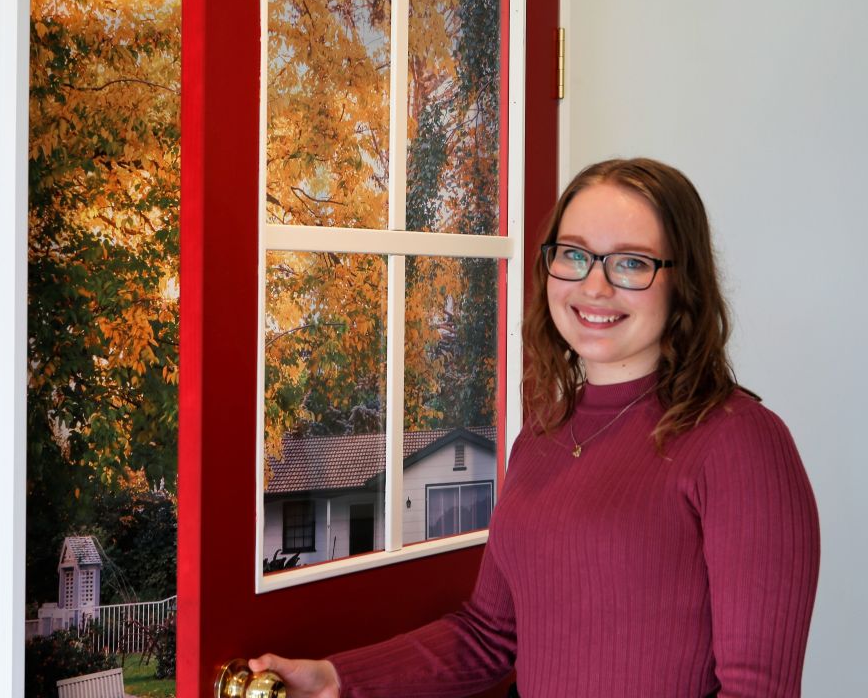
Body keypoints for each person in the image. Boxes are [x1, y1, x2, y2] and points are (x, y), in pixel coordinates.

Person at [251, 158, 821, 698]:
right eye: (574, 254)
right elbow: (488, 635)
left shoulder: (739, 441)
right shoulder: (544, 436)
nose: (594, 287)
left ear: (682, 283)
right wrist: (337, 680)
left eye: (630, 262)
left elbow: (757, 691)